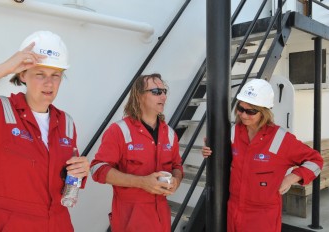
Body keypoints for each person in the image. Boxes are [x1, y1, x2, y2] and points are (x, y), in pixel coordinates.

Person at [0, 31, 89, 232]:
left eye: (56, 75)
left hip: (58, 223)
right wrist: (7, 67)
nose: (49, 83)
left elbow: (61, 182)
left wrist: (80, 172)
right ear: (22, 74)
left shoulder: (66, 122)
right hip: (9, 224)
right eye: (40, 74)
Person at [201, 79, 323, 232]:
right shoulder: (233, 132)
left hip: (263, 216)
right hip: (234, 209)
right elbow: (225, 160)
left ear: (264, 112)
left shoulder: (280, 138)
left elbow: (316, 161)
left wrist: (291, 178)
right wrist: (209, 151)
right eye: (240, 108)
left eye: (251, 111)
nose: (243, 115)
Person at [90, 73, 183, 232]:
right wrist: (142, 182)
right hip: (130, 219)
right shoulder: (119, 131)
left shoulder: (170, 134)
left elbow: (177, 167)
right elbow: (97, 170)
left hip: (161, 219)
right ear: (139, 96)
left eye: (164, 91)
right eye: (156, 92)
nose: (163, 96)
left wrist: (176, 181)